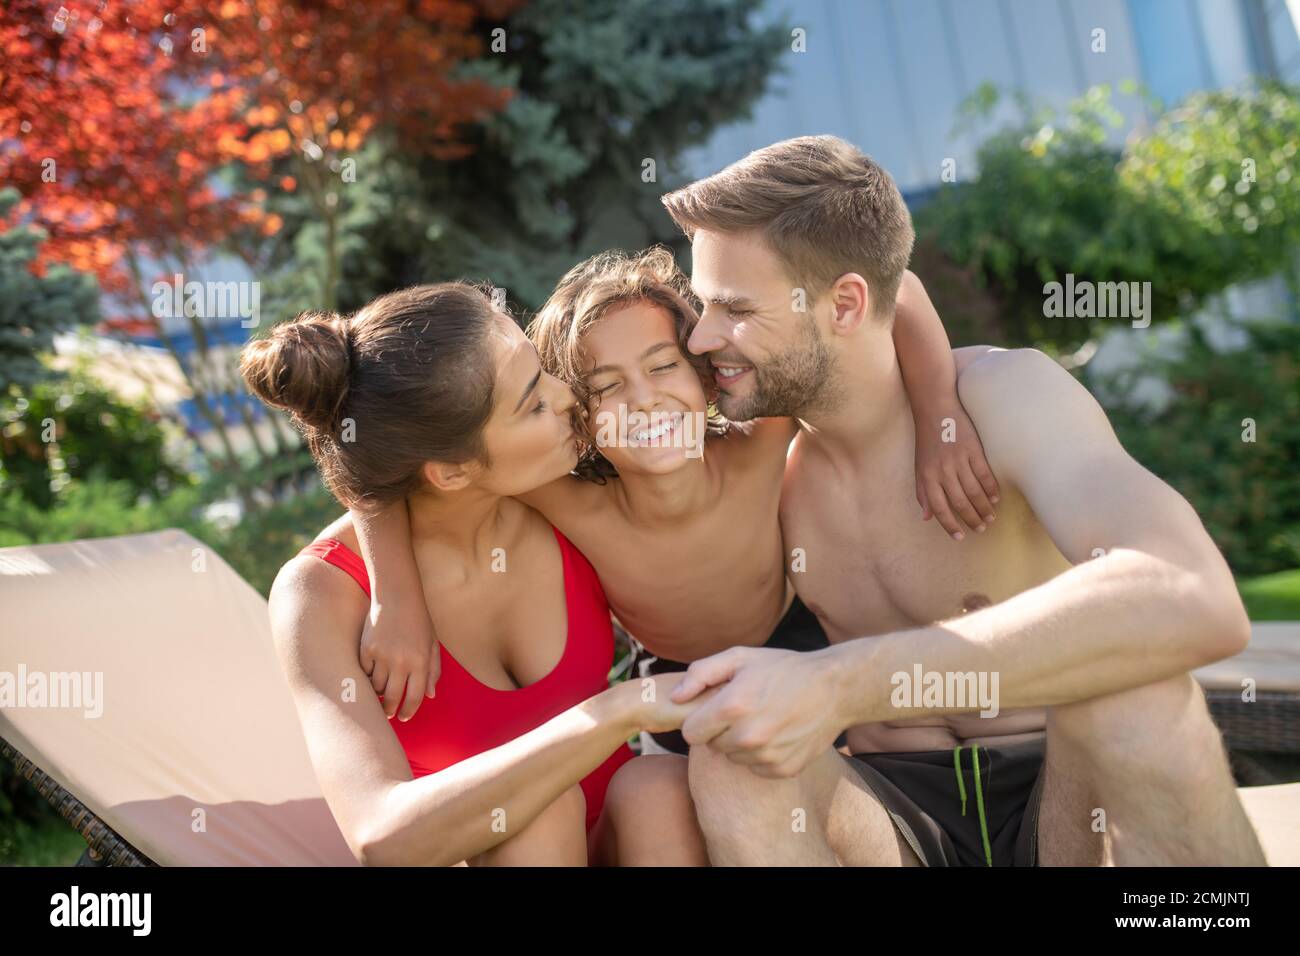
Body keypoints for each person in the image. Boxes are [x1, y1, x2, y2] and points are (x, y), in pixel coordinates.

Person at [660, 134, 1264, 866]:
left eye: (733, 309)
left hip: (1064, 798)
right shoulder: (767, 469)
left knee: (1129, 690)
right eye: (702, 306)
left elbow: (1195, 597)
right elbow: (900, 291)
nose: (700, 338)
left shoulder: (1002, 399)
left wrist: (839, 681)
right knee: (729, 758)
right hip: (895, 814)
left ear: (845, 305)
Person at [352, 246, 999, 768]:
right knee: (690, 806)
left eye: (664, 367)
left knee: (869, 773)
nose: (642, 400)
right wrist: (395, 599)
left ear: (706, 375)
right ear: (579, 417)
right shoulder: (565, 496)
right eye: (606, 387)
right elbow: (380, 476)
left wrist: (940, 413)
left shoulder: (760, 444)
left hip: (800, 646)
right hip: (671, 688)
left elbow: (900, 288)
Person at [241, 284, 711, 866]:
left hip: (629, 842)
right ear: (453, 471)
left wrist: (399, 592)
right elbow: (380, 837)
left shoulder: (558, 492)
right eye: (534, 403)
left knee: (657, 789)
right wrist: (619, 710)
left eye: (545, 375)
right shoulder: (323, 593)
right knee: (535, 813)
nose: (571, 397)